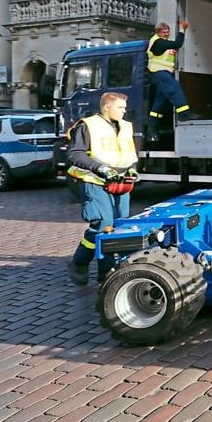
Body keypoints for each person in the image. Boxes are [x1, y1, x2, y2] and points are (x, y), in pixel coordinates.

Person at [66, 92, 139, 286]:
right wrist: (100, 168)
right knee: (104, 224)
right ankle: (82, 263)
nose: (124, 111)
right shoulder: (88, 125)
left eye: (124, 108)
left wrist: (132, 168)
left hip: (120, 182)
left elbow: (129, 153)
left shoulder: (125, 126)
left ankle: (106, 272)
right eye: (120, 107)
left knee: (119, 225)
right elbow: (75, 153)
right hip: (95, 180)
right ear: (107, 107)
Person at [146, 20, 195, 143]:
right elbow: (178, 43)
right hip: (159, 72)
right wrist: (182, 29)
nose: (166, 34)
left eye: (167, 32)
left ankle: (152, 131)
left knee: (159, 102)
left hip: (163, 72)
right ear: (158, 32)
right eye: (164, 32)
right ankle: (184, 114)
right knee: (174, 88)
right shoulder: (158, 42)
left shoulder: (163, 41)